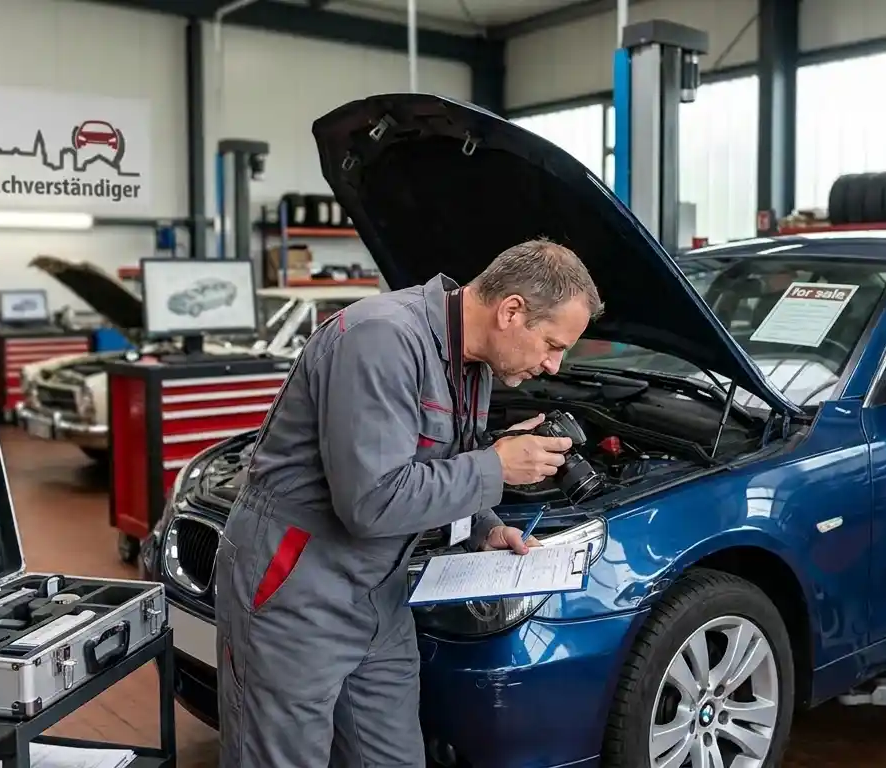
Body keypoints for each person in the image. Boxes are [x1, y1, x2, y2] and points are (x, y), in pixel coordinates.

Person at [213, 238, 603, 768]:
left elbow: (441, 460)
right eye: (552, 345)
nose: (555, 365)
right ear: (511, 311)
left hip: (382, 590)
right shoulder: (380, 339)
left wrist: (484, 527)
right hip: (298, 583)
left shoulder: (474, 362)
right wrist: (497, 468)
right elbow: (371, 502)